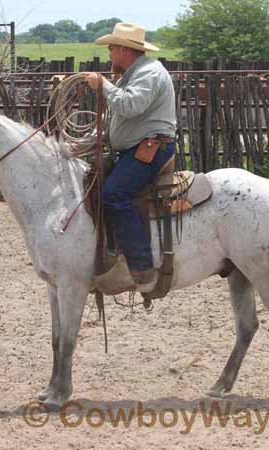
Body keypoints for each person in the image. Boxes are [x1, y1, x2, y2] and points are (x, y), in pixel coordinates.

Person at [84, 22, 177, 290]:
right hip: (137, 148)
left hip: (152, 150)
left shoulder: (149, 73)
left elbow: (128, 105)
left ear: (125, 49)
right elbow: (116, 115)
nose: (109, 54)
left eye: (112, 48)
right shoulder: (132, 74)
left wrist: (103, 85)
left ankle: (140, 266)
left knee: (114, 194)